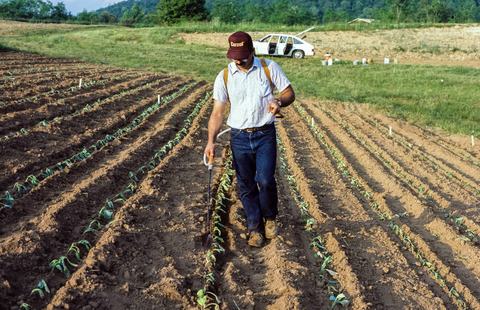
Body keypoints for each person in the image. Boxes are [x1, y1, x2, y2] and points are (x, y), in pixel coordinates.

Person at [204, 31, 295, 247]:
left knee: (265, 179)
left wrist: (279, 102)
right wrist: (211, 141)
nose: (238, 59)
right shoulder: (224, 77)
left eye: (242, 55)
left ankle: (270, 218)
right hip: (239, 137)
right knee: (245, 184)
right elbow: (217, 112)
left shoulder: (268, 68)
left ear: (252, 51)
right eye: (234, 55)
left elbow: (289, 93)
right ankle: (254, 228)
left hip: (264, 134)